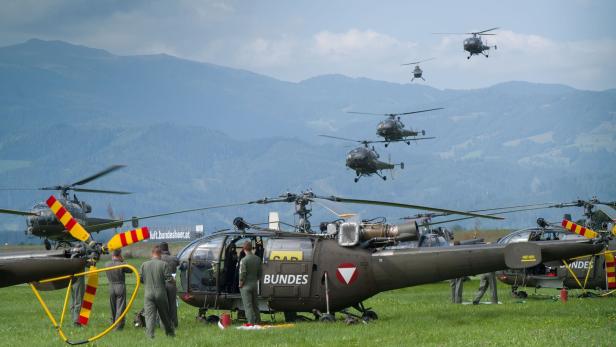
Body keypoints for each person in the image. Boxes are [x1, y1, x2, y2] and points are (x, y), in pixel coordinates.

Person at [140, 245, 175, 338]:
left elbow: (140, 279)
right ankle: (170, 333)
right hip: (161, 293)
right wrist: (173, 281)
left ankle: (150, 336)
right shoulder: (163, 264)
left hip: (148, 293)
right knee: (165, 315)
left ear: (152, 253)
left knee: (149, 316)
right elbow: (169, 279)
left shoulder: (144, 264)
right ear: (160, 254)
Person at [105, 249, 131, 330]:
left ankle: (113, 323)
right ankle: (118, 326)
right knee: (120, 307)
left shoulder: (107, 264)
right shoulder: (122, 264)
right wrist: (123, 260)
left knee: (112, 306)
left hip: (111, 286)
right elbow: (130, 270)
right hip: (120, 285)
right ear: (120, 255)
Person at [238, 241, 262, 326]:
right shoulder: (258, 259)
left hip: (245, 286)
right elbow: (260, 273)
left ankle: (251, 323)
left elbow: (242, 273)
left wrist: (241, 283)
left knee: (248, 306)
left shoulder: (243, 260)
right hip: (254, 285)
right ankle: (258, 321)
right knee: (255, 305)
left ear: (243, 249)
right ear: (251, 248)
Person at [160, 242, 180, 328]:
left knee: (162, 305)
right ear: (167, 249)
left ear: (160, 250)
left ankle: (163, 324)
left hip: (161, 284)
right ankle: (174, 323)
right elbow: (178, 263)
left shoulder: (158, 259)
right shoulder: (174, 259)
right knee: (172, 304)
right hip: (172, 284)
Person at [70, 242, 86, 326]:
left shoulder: (71, 259)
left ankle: (73, 318)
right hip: (78, 281)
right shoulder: (80, 260)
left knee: (73, 300)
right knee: (79, 300)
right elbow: (88, 262)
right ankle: (76, 321)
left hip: (71, 281)